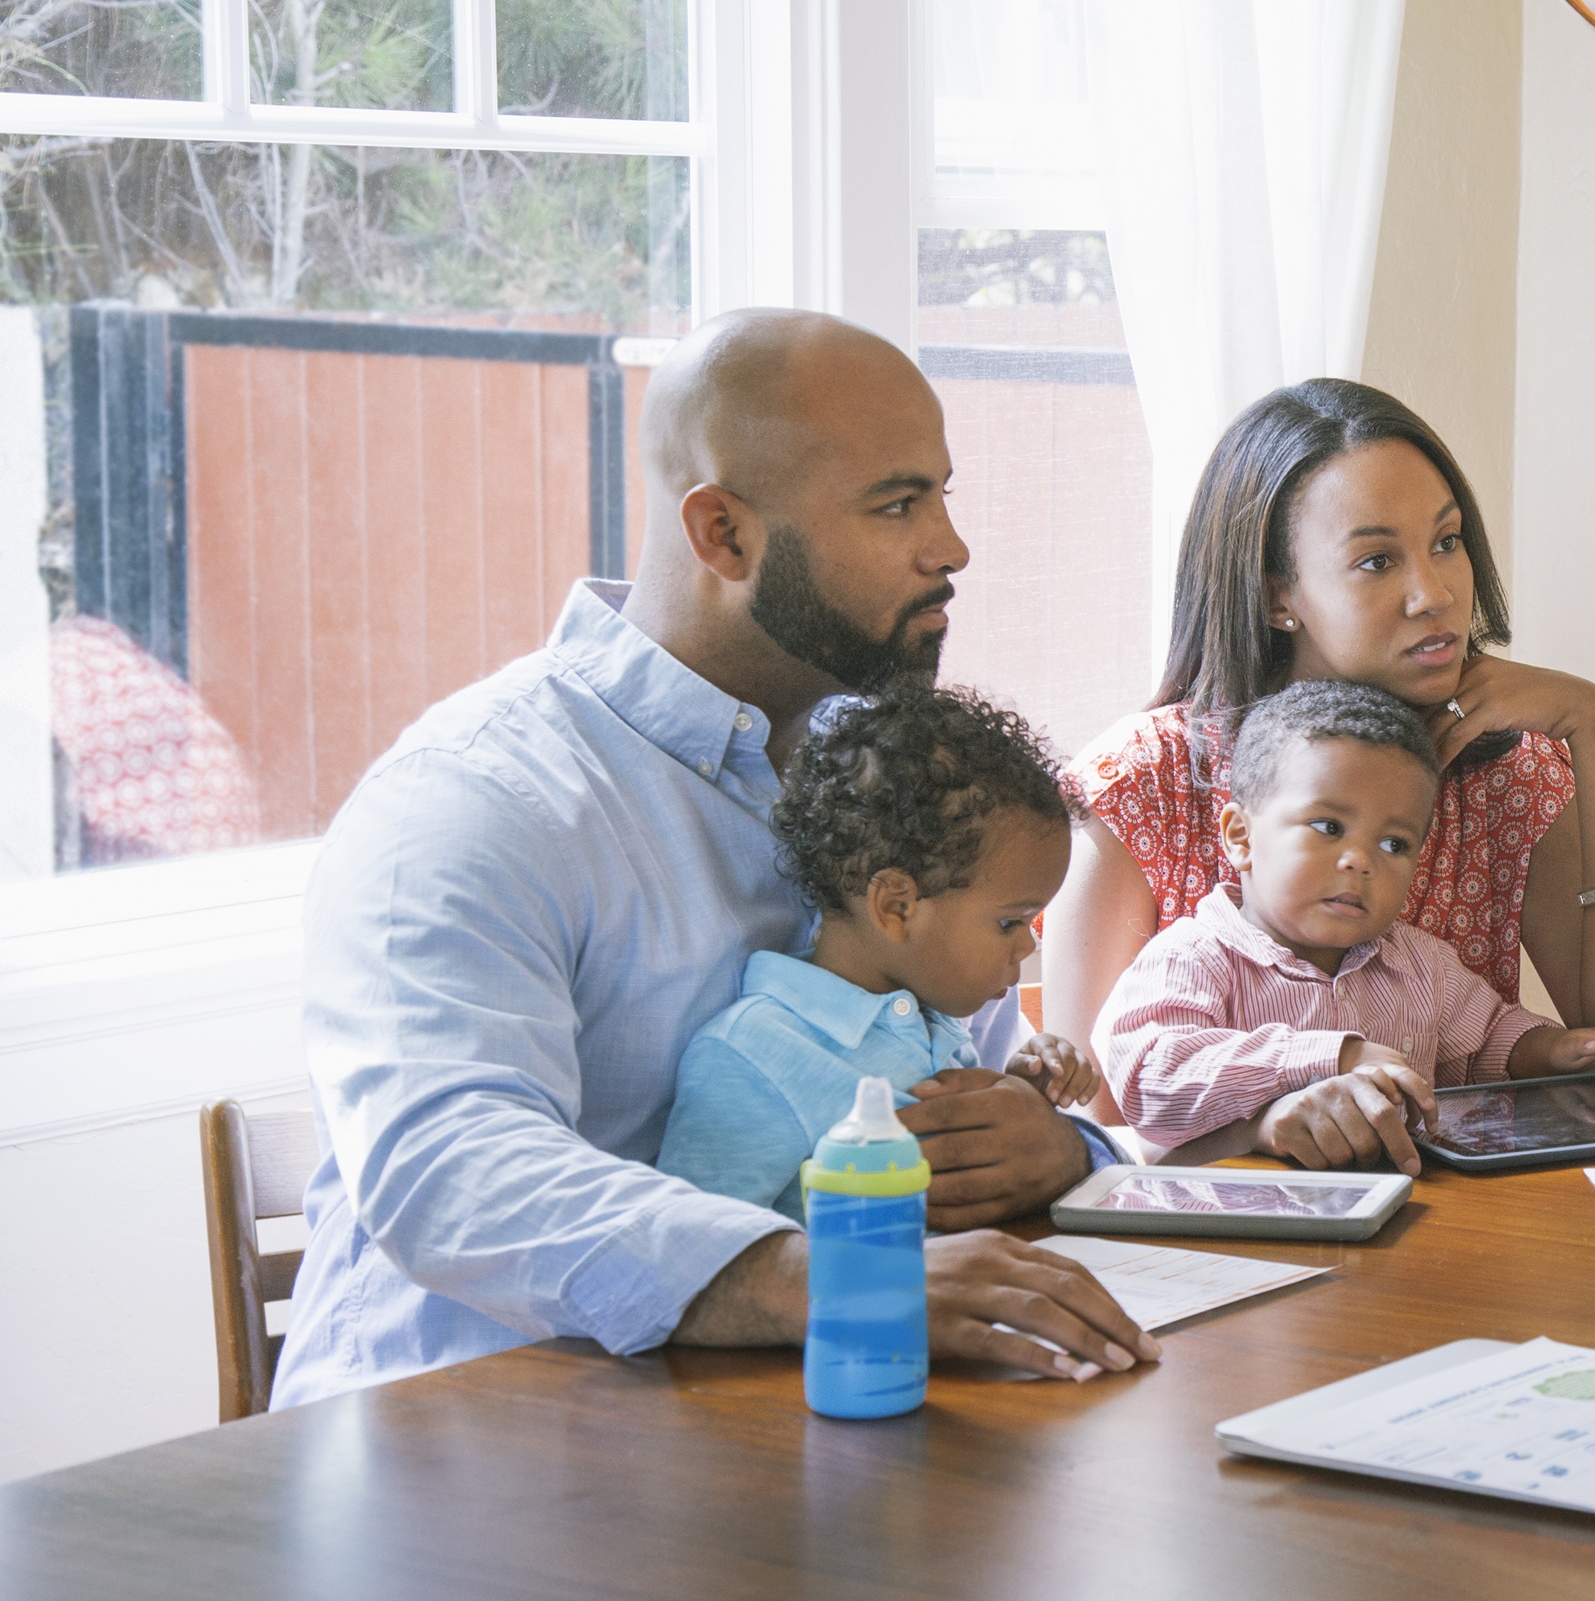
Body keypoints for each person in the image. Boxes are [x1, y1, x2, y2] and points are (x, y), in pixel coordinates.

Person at [274, 309, 1159, 1410]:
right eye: (896, 504)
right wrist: (834, 1281)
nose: (950, 548)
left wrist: (1056, 1147)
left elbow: (973, 1068)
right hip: (457, 1463)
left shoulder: (883, 778)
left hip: (783, 1437)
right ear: (723, 537)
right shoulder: (470, 801)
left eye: (942, 493)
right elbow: (449, 1172)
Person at [1055, 379, 1595, 1099]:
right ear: (1275, 597)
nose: (1435, 594)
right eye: (1378, 561)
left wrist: (1591, 726)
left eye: (1447, 543)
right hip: (1221, 1202)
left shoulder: (1508, 772)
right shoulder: (1140, 779)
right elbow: (1093, 1114)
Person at [1097, 680, 1595, 1172]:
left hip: (1393, 1222)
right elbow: (1150, 1081)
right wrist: (1333, 1057)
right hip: (1233, 1233)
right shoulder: (1193, 957)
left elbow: (1488, 1042)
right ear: (1241, 837)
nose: (1361, 859)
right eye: (1327, 827)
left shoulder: (1420, 965)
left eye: (1395, 843)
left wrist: (1560, 1050)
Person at [659, 685, 1110, 1230]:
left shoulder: (932, 1017)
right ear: (896, 906)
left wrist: (1015, 1095)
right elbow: (703, 1252)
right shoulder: (753, 1056)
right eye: (1009, 922)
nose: (1028, 946)